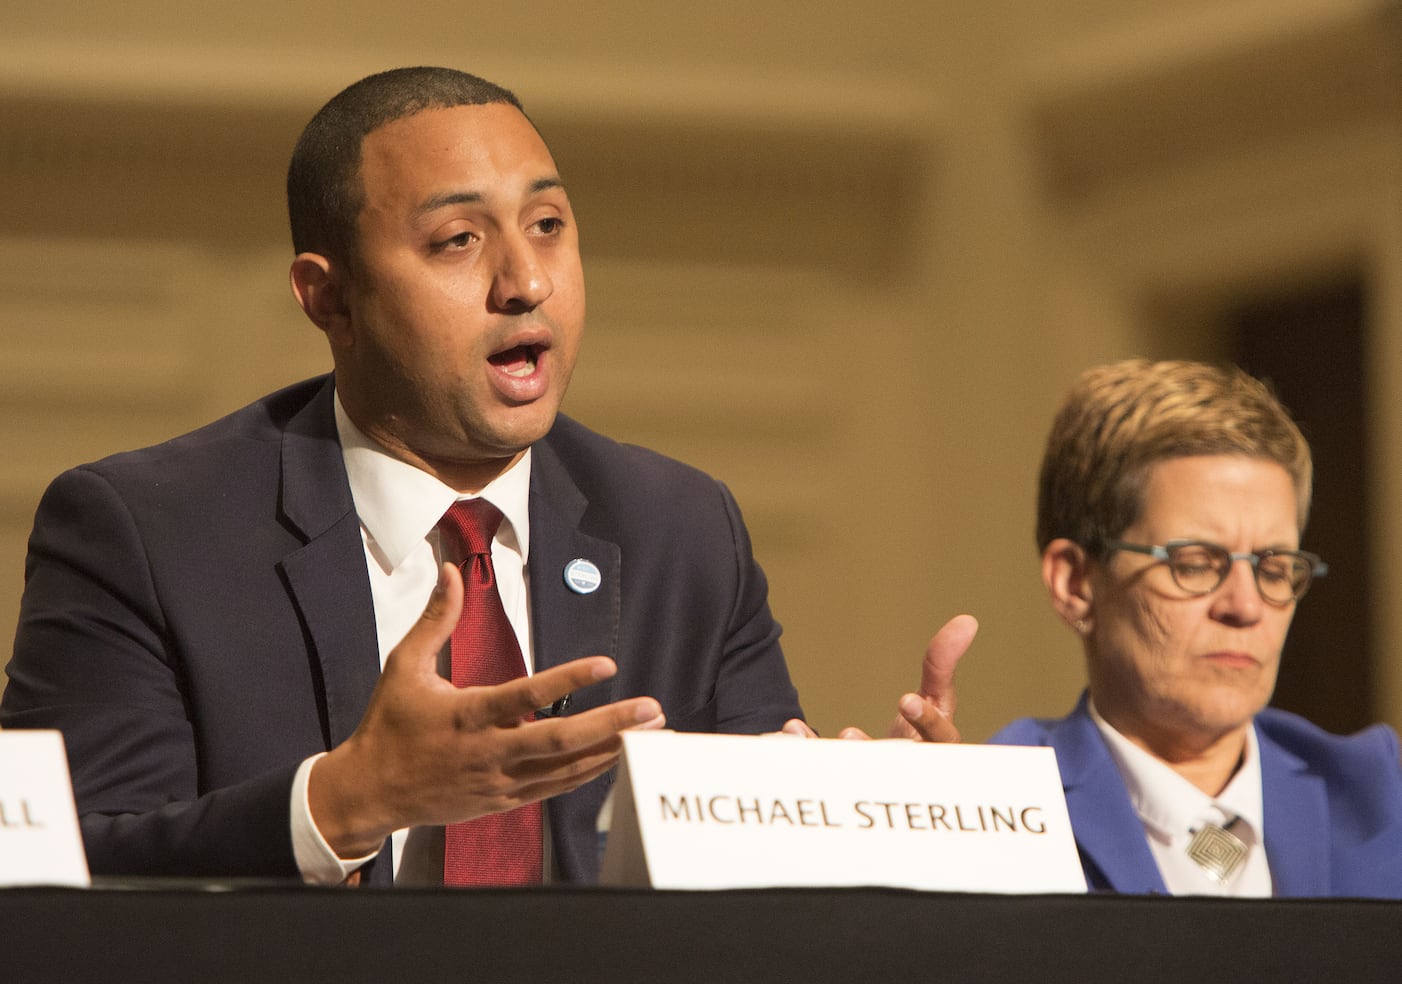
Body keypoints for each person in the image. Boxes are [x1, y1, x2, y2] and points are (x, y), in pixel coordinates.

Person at [1, 67, 961, 887]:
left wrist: (869, 822)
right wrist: (343, 803)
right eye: (458, 240)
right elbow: (68, 870)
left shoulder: (682, 531)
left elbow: (745, 896)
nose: (524, 280)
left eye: (547, 225)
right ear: (327, 296)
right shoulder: (147, 531)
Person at [989, 359, 1402, 897]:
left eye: (1274, 568)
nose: (1246, 606)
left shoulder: (1379, 794)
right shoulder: (1002, 809)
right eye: (1196, 563)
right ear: (1075, 583)